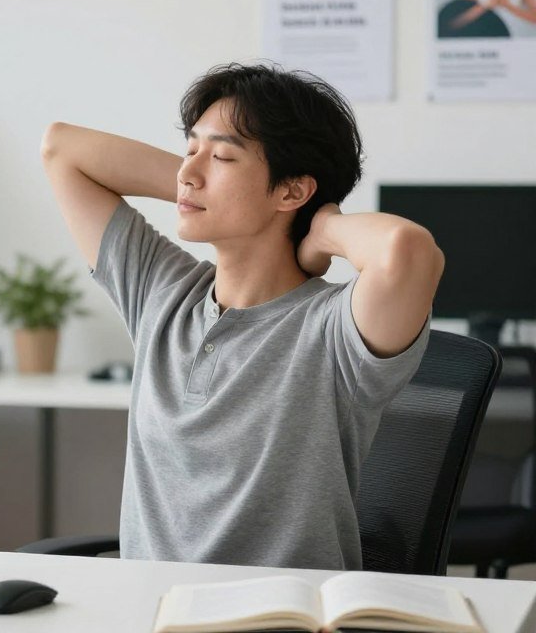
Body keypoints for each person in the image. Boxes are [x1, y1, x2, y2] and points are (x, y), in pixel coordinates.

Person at [40, 63, 444, 571]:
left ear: (292, 191)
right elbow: (62, 149)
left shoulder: (335, 328)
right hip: (150, 613)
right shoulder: (161, 292)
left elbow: (408, 250)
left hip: (281, 616)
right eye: (191, 149)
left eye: (224, 155)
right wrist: (201, 184)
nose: (188, 171)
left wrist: (323, 229)